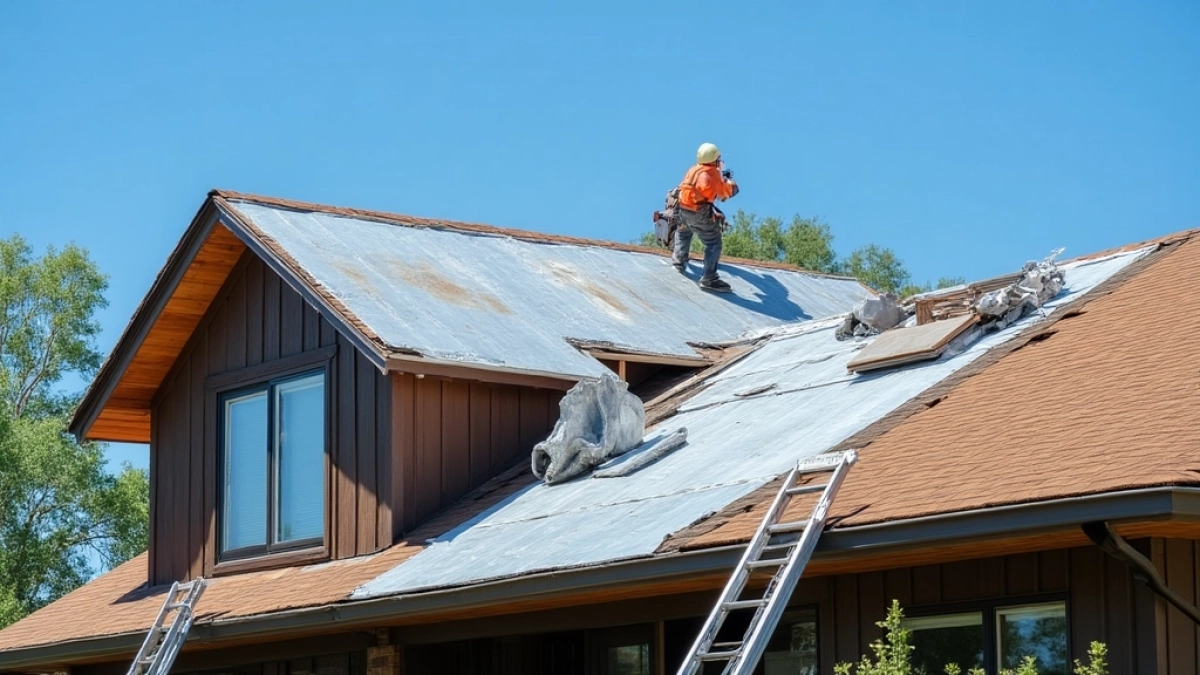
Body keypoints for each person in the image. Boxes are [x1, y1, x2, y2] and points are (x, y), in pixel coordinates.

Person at [673, 142, 739, 292]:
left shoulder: (693, 170)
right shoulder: (712, 173)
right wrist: (728, 181)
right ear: (715, 159)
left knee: (684, 232)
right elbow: (725, 194)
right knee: (714, 241)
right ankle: (709, 278)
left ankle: (678, 262)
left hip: (683, 209)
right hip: (698, 212)